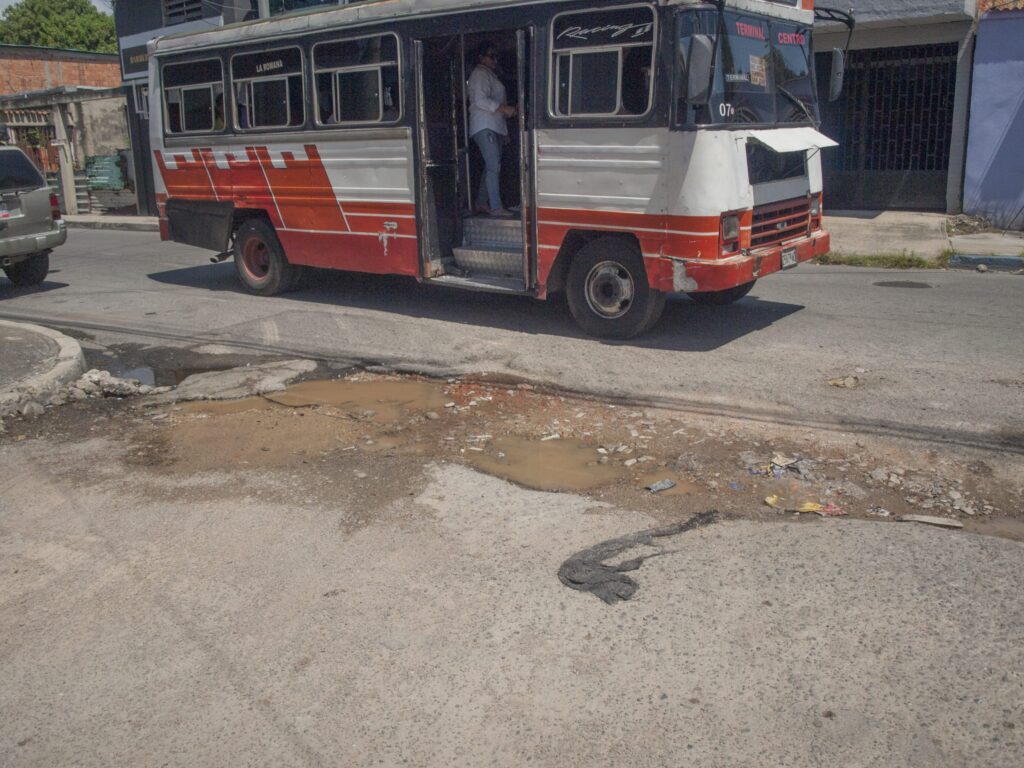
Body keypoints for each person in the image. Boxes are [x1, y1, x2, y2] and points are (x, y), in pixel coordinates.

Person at [468, 42, 516, 217]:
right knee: (493, 165)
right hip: (484, 125)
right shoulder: (479, 74)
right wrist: (505, 109)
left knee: (491, 166)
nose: (495, 59)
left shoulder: (491, 75)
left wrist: (504, 132)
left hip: (493, 126)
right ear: (481, 58)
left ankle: (481, 202)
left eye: (496, 56)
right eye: (491, 56)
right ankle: (496, 207)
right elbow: (480, 101)